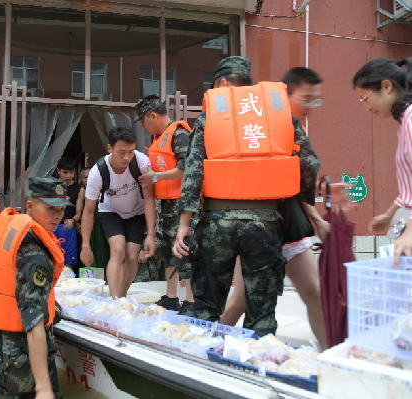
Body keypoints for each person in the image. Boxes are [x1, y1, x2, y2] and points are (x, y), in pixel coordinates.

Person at [173, 56, 320, 337]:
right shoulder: (280, 115)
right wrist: (298, 197)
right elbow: (310, 163)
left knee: (206, 308)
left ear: (223, 84)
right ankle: (256, 367)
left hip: (217, 221)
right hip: (265, 222)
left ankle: (203, 369)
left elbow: (193, 171)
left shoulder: (209, 117)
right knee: (261, 313)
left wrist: (183, 225)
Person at [221, 67, 329, 349]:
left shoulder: (297, 129)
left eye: (316, 100)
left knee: (314, 293)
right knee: (240, 302)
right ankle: (205, 349)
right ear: (285, 94)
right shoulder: (259, 129)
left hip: (290, 227)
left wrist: (316, 216)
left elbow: (298, 184)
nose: (312, 107)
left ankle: (332, 361)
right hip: (258, 228)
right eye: (307, 98)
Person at [0, 177, 70, 398]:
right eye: (50, 208)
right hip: (24, 358)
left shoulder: (13, 227)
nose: (57, 215)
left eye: (61, 209)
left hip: (2, 349)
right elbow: (33, 323)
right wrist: (43, 388)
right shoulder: (35, 253)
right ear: (30, 205)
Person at [136, 94, 195, 314]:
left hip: (183, 204)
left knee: (185, 250)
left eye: (143, 122)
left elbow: (185, 168)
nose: (144, 127)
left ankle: (190, 300)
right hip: (166, 205)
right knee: (169, 251)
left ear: (153, 115)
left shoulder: (179, 134)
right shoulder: (158, 139)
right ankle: (172, 297)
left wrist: (155, 178)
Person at [80, 127, 157, 298]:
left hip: (136, 212)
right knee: (118, 249)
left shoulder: (141, 163)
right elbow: (88, 210)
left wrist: (151, 234)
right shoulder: (98, 172)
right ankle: (115, 299)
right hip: (110, 211)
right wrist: (85, 244)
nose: (126, 157)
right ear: (110, 149)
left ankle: (121, 296)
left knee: (132, 254)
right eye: (121, 152)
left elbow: (149, 199)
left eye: (130, 152)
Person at [354, 58, 412, 263]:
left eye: (365, 98)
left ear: (386, 86)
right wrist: (389, 214)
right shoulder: (404, 122)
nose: (366, 107)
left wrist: (410, 232)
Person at [53, 158, 82, 272]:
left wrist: (73, 220)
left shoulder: (79, 189)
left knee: (68, 262)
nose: (69, 175)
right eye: (65, 172)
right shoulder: (52, 187)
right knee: (53, 259)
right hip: (53, 227)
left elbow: (79, 212)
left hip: (68, 227)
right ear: (58, 171)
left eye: (71, 172)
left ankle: (66, 283)